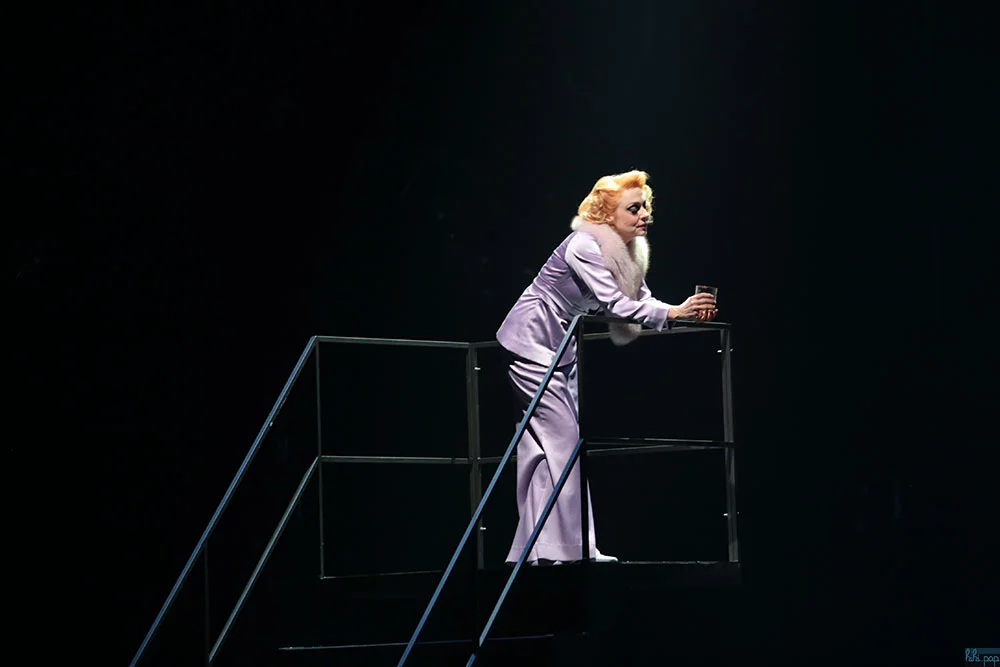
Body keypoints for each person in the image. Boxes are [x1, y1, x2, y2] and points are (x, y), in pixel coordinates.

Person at [496, 170, 717, 566]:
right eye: (633, 208)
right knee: (562, 442)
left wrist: (681, 311)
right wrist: (671, 313)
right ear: (607, 214)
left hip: (561, 346)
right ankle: (575, 548)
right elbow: (615, 304)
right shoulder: (585, 244)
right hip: (532, 339)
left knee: (544, 448)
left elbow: (642, 300)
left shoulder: (627, 251)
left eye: (645, 206)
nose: (644, 214)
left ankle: (535, 549)